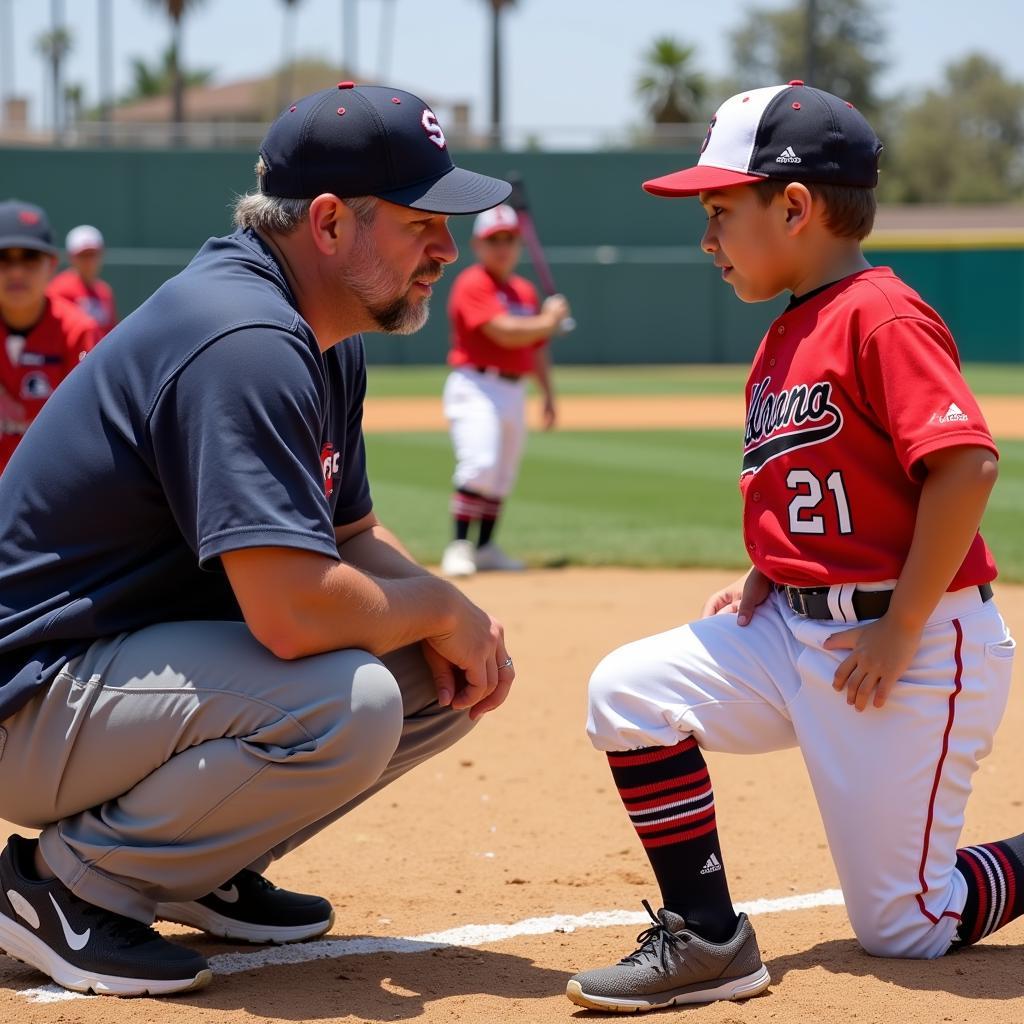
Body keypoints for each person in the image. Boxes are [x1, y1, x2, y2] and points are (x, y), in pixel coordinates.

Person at [0, 83, 516, 998]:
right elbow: (291, 615)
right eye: (421, 221)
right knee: (344, 697)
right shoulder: (244, 336)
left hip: (111, 677)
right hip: (29, 697)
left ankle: (192, 862)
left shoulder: (323, 330)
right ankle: (62, 888)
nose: (447, 245)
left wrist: (458, 618)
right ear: (327, 223)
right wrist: (439, 602)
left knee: (432, 678)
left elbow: (348, 533)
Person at [566, 81, 1018, 1013]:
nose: (707, 238)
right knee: (628, 690)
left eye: (720, 211)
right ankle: (708, 939)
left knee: (905, 930)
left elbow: (965, 467)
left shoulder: (879, 314)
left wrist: (900, 627)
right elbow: (820, 491)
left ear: (797, 206)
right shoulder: (788, 332)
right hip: (795, 636)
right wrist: (763, 574)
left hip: (906, 648)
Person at [440, 204, 570, 577]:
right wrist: (548, 321)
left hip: (513, 389)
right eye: (493, 240)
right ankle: (459, 545)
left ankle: (485, 548)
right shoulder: (473, 282)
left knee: (501, 475)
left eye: (509, 240)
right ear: (478, 246)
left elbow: (535, 349)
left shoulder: (523, 291)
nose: (502, 247)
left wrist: (547, 394)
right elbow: (502, 331)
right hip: (476, 385)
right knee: (479, 463)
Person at [0, 200, 98, 473]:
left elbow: (87, 432)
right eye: (4, 258)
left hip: (46, 492)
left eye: (30, 257)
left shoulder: (78, 331)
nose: (16, 271)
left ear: (52, 264)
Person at [48, 224, 118, 339]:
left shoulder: (104, 291)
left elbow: (111, 331)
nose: (89, 261)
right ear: (71, 257)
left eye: (92, 255)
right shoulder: (59, 288)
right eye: (83, 256)